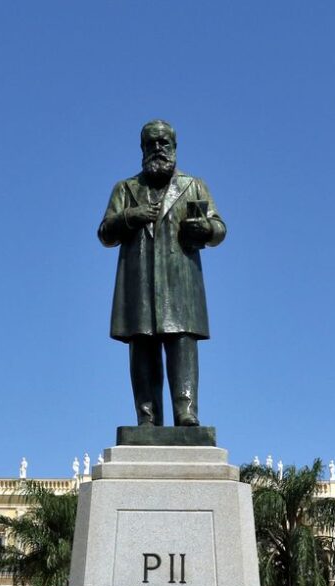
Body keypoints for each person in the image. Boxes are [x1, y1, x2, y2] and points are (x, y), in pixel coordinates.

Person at [98, 120, 226, 427]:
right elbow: (105, 233)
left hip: (180, 284)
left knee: (182, 344)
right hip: (139, 283)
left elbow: (219, 228)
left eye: (163, 142)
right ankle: (147, 417)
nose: (158, 148)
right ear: (142, 148)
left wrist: (206, 228)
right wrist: (130, 216)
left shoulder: (193, 186)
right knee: (142, 348)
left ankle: (186, 411)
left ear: (174, 147)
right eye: (151, 143)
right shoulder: (125, 189)